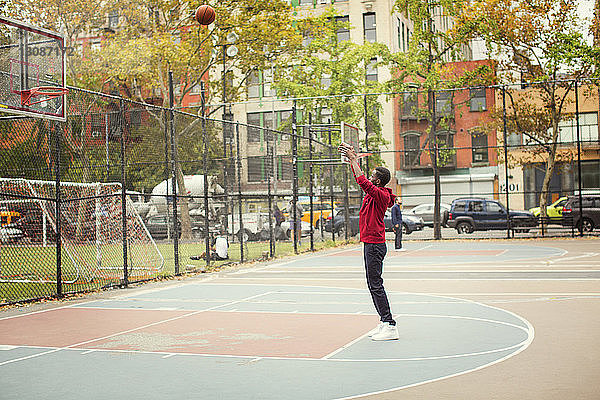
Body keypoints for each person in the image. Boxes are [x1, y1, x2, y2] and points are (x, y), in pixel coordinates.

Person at [338, 142, 399, 341]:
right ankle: (384, 321)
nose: (370, 178)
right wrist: (351, 160)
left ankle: (390, 324)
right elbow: (362, 178)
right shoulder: (376, 193)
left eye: (373, 176)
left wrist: (354, 160)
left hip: (375, 245)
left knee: (375, 284)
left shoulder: (380, 195)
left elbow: (362, 181)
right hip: (371, 244)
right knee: (373, 284)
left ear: (379, 181)